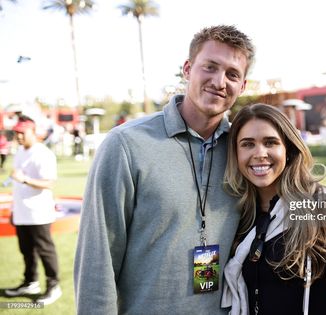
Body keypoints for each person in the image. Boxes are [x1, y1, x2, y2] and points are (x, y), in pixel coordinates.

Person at [74, 25, 255, 314]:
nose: (220, 81)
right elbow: (98, 256)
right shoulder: (126, 144)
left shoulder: (243, 150)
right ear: (187, 69)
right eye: (210, 67)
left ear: (243, 86)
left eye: (232, 74)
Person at [222, 104, 326, 315]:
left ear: (288, 149)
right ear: (235, 153)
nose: (260, 154)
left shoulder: (323, 207)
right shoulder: (238, 215)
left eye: (270, 142)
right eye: (247, 144)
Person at [4, 115, 61, 305]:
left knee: (45, 250)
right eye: (16, 132)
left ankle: (54, 286)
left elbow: (49, 183)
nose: (18, 136)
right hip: (22, 211)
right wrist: (14, 208)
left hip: (38, 213)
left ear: (33, 131)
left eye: (22, 132)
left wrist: (25, 180)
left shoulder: (43, 153)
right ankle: (30, 282)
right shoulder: (20, 151)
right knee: (26, 250)